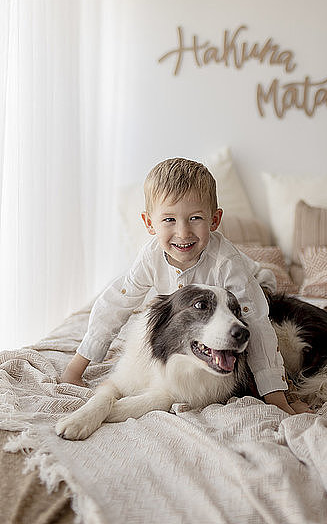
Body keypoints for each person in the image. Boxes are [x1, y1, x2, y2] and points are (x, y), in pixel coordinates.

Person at [62, 157, 311, 415]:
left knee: (261, 315)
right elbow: (116, 303)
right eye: (169, 220)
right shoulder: (150, 256)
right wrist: (76, 368)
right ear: (149, 223)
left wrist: (277, 396)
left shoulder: (227, 263)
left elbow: (256, 322)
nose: (183, 233)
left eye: (195, 218)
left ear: (214, 220)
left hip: (256, 282)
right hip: (196, 310)